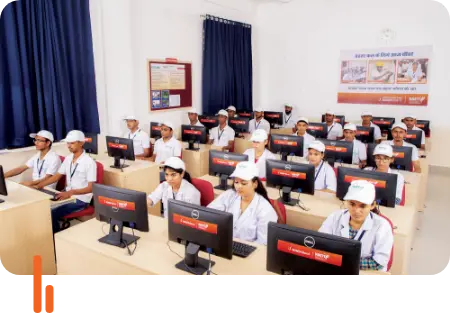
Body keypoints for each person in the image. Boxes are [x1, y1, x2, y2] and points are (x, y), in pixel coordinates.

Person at [319, 180, 394, 272]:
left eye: (362, 206)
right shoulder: (335, 217)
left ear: (372, 205)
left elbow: (378, 263)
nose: (356, 210)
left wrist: (344, 262)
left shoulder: (382, 226)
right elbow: (320, 244)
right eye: (352, 204)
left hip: (366, 274)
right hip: (335, 270)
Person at [35, 131, 97, 233]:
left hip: (80, 199)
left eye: (72, 143)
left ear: (81, 143)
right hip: (68, 195)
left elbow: (91, 188)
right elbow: (57, 176)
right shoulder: (68, 158)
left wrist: (71, 192)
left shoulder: (89, 162)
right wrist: (40, 185)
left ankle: (56, 236)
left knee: (51, 212)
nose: (68, 146)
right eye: (68, 143)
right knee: (42, 207)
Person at [208, 162, 278, 245]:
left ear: (255, 184)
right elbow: (208, 214)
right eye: (236, 182)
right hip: (224, 244)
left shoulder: (265, 209)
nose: (239, 186)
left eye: (244, 183)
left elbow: (263, 243)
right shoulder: (229, 195)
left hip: (249, 253)